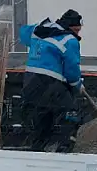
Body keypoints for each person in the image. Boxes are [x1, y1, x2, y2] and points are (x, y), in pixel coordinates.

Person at [18, 9, 84, 153]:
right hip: (48, 81)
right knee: (71, 110)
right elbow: (71, 69)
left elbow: (22, 33)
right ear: (70, 27)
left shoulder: (39, 30)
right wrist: (77, 85)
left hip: (30, 82)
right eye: (77, 30)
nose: (78, 34)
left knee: (43, 114)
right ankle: (65, 145)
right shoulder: (69, 40)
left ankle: (39, 147)